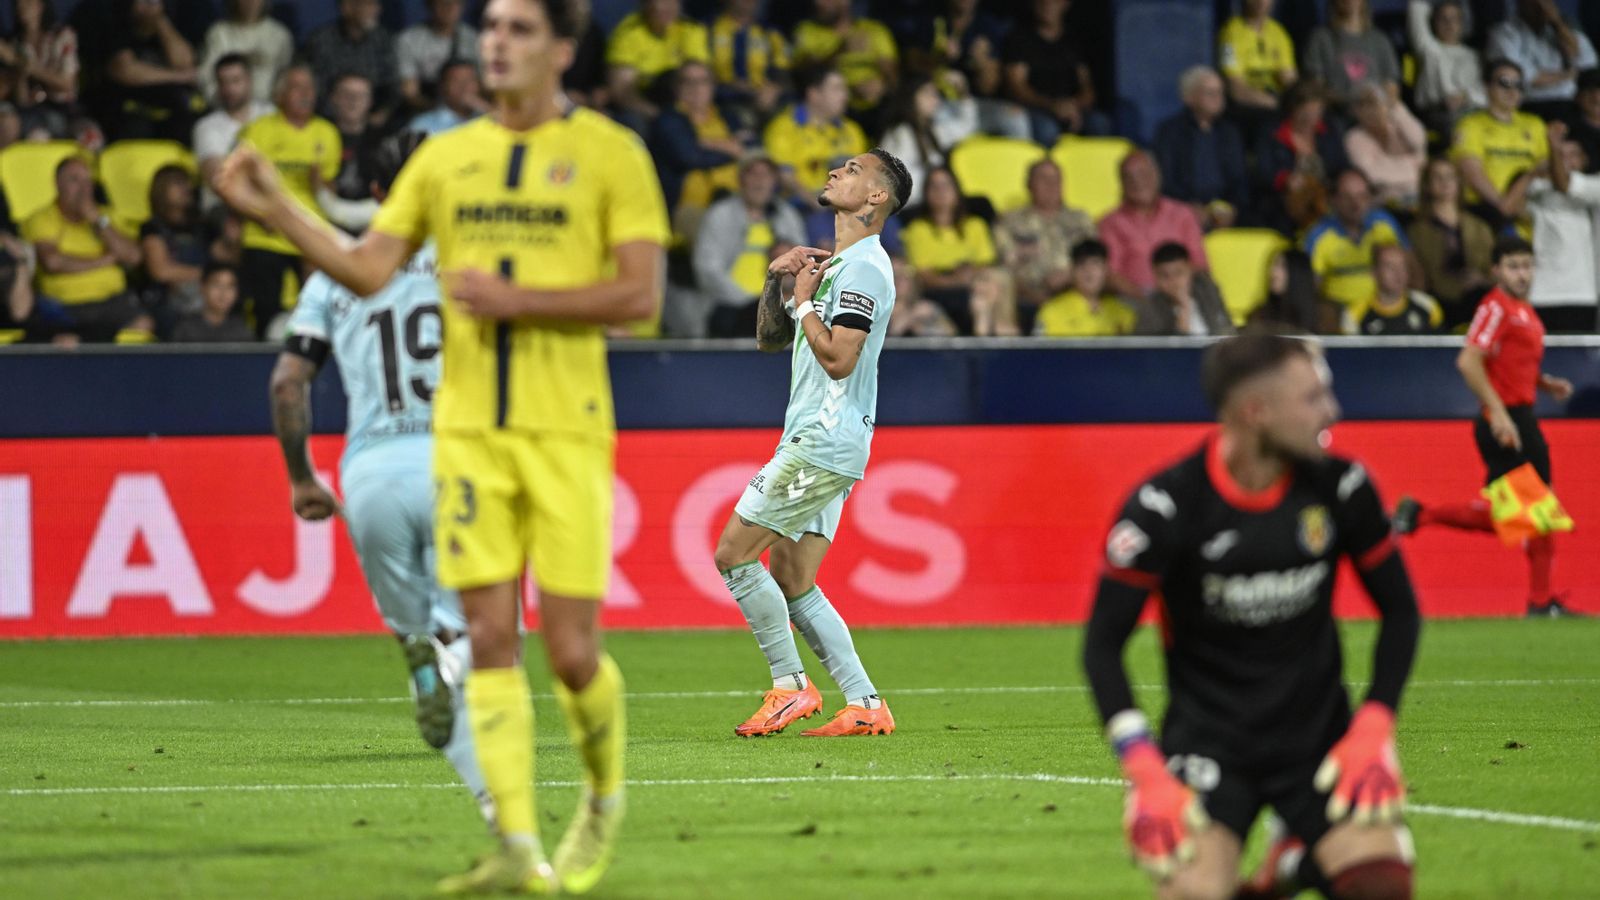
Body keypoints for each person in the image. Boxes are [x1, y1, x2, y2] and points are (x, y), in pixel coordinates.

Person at [214, 0, 669, 891]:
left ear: (562, 49)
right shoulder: (444, 158)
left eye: (520, 29)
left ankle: (602, 797)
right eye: (491, 26)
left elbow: (639, 297)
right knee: (488, 638)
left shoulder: (612, 153)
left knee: (572, 654)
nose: (497, 41)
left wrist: (518, 302)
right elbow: (364, 269)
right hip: (462, 438)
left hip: (566, 429)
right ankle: (517, 846)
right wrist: (276, 205)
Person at [1083, 333, 1421, 900]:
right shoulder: (1167, 507)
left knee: (1381, 884)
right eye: (1312, 398)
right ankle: (1294, 862)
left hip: (1318, 745)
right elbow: (1102, 647)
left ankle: (1295, 859)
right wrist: (1144, 770)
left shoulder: (1342, 486)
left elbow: (1401, 612)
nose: (1331, 411)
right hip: (1209, 749)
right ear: (1256, 412)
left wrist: (1373, 726)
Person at [268, 130, 496, 846]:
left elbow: (287, 384)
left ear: (372, 193)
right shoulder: (473, 264)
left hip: (368, 473)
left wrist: (301, 475)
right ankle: (500, 814)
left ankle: (425, 656)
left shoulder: (332, 275)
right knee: (479, 630)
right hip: (458, 461)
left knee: (415, 627)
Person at [711, 147, 911, 739]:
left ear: (876, 196)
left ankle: (790, 685)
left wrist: (803, 299)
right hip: (825, 439)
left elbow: (839, 359)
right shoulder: (836, 266)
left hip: (822, 440)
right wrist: (778, 282)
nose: (835, 172)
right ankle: (865, 703)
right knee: (793, 578)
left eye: (852, 170)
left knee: (733, 555)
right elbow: (771, 341)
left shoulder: (866, 269)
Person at [1392, 236, 1579, 617]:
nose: (1522, 274)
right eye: (1513, 266)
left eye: (1527, 266)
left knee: (1536, 512)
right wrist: (1499, 413)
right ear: (1496, 270)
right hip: (1505, 420)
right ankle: (1423, 515)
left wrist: (1544, 383)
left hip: (1520, 416)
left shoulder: (1522, 311)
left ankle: (1541, 601)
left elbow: (1508, 362)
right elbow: (1468, 361)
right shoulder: (1495, 307)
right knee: (1527, 513)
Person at [235, 64, 340, 338]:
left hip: (309, 234)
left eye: (309, 88)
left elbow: (331, 190)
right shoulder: (258, 131)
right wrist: (260, 214)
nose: (305, 94)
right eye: (296, 87)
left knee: (316, 310)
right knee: (265, 311)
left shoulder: (327, 133)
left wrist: (319, 184)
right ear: (279, 95)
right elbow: (238, 182)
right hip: (265, 234)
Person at [21, 156, 148, 341]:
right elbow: (52, 262)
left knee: (143, 323)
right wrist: (106, 259)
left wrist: (98, 221)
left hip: (112, 302)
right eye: (74, 180)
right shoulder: (42, 218)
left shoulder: (106, 216)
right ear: (57, 184)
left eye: (87, 181)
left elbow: (134, 257)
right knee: (68, 339)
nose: (83, 188)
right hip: (66, 306)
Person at [693, 153, 807, 338]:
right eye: (753, 174)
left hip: (779, 309)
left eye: (766, 175)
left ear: (774, 181)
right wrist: (751, 303)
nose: (759, 181)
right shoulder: (720, 215)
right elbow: (708, 270)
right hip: (730, 307)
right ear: (741, 180)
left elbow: (801, 266)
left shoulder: (788, 216)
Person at [993, 158, 1096, 335]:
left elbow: (1096, 260)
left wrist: (1070, 276)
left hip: (1075, 297)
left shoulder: (1081, 220)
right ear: (1028, 185)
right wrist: (1034, 296)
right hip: (1024, 301)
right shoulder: (1009, 221)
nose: (1051, 185)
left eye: (1056, 179)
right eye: (1043, 179)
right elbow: (1004, 269)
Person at [1451, 59, 1548, 233]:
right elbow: (1472, 172)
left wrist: (1522, 208)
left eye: (1518, 85)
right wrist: (1504, 206)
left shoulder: (1535, 124)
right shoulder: (1470, 124)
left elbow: (1544, 169)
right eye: (1504, 83)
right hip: (1486, 212)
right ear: (1487, 87)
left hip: (1529, 212)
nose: (1512, 90)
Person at [900, 164, 997, 335]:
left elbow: (985, 264)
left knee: (992, 284)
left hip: (972, 291)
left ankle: (986, 340)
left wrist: (969, 276)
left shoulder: (975, 225)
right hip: (933, 293)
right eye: (934, 186)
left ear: (957, 191)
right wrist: (956, 280)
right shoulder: (917, 229)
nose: (940, 191)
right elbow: (923, 274)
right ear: (926, 193)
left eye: (946, 185)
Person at [1099, 150, 1208, 300]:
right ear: (1121, 184)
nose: (1137, 182)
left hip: (1183, 296)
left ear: (1157, 175)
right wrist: (1146, 300)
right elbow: (1111, 275)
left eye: (1143, 174)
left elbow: (1199, 265)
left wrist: (1175, 292)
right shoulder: (1110, 223)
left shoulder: (1183, 214)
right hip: (1136, 301)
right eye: (1129, 177)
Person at [1152, 67, 1249, 231]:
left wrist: (1232, 208)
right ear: (1189, 97)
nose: (1218, 99)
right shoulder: (1169, 132)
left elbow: (1240, 180)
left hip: (1224, 211)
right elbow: (1165, 180)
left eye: (1221, 93)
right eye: (1210, 93)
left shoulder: (1230, 132)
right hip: (1183, 209)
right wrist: (1189, 207)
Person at [1305, 169, 1409, 318]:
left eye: (1362, 196)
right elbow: (1310, 288)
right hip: (1339, 312)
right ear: (1334, 200)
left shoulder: (1383, 222)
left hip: (1386, 307)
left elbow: (1412, 268)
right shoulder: (1318, 234)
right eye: (1347, 197)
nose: (1356, 204)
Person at [1527, 120, 1600, 332]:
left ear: (1585, 160)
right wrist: (1532, 173)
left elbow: (1565, 184)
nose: (1565, 160)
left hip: (1582, 293)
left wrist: (1553, 145)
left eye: (1573, 155)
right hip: (1541, 291)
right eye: (1561, 155)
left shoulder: (1593, 187)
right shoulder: (1537, 188)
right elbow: (1509, 208)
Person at [1407, 157, 1494, 330]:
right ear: (1427, 185)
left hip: (1477, 299)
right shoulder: (1416, 231)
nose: (1445, 183)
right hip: (1439, 303)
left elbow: (1493, 268)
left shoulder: (1479, 226)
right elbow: (1419, 275)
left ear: (1458, 182)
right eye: (1437, 177)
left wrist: (1482, 279)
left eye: (1450, 176)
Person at [1003, 0, 1105, 145]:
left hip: (1071, 108)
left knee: (1099, 123)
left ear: (1066, 4)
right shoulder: (1019, 39)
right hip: (1036, 108)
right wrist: (1052, 105)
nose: (1048, 4)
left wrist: (1073, 106)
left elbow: (1087, 89)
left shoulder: (1074, 41)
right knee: (1047, 129)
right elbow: (1017, 88)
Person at [1252, 81, 1349, 234]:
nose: (1312, 119)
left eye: (1317, 112)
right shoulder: (1271, 134)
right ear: (1293, 109)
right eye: (1306, 113)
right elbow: (1263, 172)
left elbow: (1342, 165)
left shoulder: (1329, 130)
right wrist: (1286, 179)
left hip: (1327, 197)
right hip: (1285, 203)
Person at [763, 67, 869, 206]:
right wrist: (817, 203)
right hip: (801, 204)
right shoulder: (783, 128)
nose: (845, 96)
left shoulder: (852, 130)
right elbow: (784, 176)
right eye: (837, 89)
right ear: (814, 94)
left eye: (845, 89)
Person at [103, 0, 203, 142]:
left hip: (173, 111)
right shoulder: (116, 28)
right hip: (130, 109)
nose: (149, 4)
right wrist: (180, 77)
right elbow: (125, 70)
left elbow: (184, 63)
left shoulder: (173, 26)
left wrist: (161, 20)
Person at [790, 0, 897, 129]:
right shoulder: (808, 30)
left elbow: (893, 76)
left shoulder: (873, 30)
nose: (819, 3)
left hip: (875, 107)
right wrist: (840, 50)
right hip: (832, 106)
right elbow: (803, 72)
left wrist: (882, 85)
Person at [877, 75, 978, 211]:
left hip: (931, 201)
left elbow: (966, 127)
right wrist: (933, 194)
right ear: (911, 98)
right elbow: (894, 182)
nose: (935, 99)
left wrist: (963, 93)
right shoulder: (901, 134)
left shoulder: (932, 130)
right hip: (911, 207)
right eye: (927, 93)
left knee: (980, 203)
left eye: (935, 94)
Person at [604, 0, 710, 128]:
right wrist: (659, 115)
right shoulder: (628, 34)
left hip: (686, 105)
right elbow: (622, 93)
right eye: (661, 2)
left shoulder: (691, 29)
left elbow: (700, 79)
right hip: (647, 106)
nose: (668, 7)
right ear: (645, 5)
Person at [1486, 0, 1597, 121]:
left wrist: (1557, 22)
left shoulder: (1563, 30)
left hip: (1569, 103)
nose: (1541, 8)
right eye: (1535, 3)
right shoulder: (1504, 32)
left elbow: (1587, 63)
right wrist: (1567, 76)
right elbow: (1522, 77)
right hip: (1530, 104)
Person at [193, 53, 272, 213]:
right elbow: (218, 181)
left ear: (249, 81)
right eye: (223, 82)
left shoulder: (271, 115)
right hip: (224, 209)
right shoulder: (206, 126)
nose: (229, 89)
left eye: (236, 81)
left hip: (269, 204)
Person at [301, 0, 400, 117]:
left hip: (372, 119)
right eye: (368, 4)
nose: (375, 10)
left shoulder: (383, 40)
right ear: (346, 7)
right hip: (329, 118)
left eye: (376, 4)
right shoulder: (321, 41)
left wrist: (380, 115)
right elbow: (315, 88)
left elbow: (393, 87)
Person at [1217, 0, 1296, 141]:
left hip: (1275, 99)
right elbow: (1235, 88)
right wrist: (1276, 104)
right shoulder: (1230, 33)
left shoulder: (1279, 33)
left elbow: (1289, 79)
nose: (1260, 2)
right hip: (1246, 105)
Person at [1303, 0, 1401, 111]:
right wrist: (1356, 101)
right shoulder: (1320, 39)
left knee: (1401, 112)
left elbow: (1391, 87)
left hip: (1378, 110)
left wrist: (1380, 105)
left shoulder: (1380, 40)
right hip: (1338, 112)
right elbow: (1316, 89)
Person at [2, 0, 80, 139]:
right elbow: (22, 100)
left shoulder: (62, 35)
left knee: (91, 137)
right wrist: (18, 67)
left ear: (40, 6)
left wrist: (21, 62)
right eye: (19, 5)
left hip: (64, 109)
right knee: (30, 132)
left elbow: (67, 84)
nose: (23, 9)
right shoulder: (16, 43)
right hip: (31, 113)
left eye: (28, 4)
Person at [1344, 83, 1428, 208]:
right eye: (1361, 106)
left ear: (1385, 105)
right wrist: (1412, 166)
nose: (1369, 111)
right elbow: (1373, 176)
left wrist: (1397, 107)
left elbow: (1419, 142)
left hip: (1421, 197)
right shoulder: (1354, 138)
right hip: (1384, 204)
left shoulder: (1400, 123)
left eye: (1373, 103)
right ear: (1355, 112)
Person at [196, 0, 293, 106]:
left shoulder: (279, 35)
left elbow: (286, 76)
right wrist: (220, 101)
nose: (250, 3)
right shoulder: (219, 33)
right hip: (226, 108)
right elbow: (205, 75)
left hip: (268, 108)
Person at [1406, 0, 1484, 130]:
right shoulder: (1428, 48)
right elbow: (1416, 8)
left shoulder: (1474, 56)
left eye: (1454, 19)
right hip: (1438, 111)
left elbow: (1486, 94)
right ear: (1434, 23)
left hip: (1471, 110)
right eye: (1443, 19)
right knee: (1459, 125)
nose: (1449, 24)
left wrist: (1466, 97)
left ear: (1461, 23)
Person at [1033, 238, 1135, 337]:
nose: (1089, 271)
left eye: (1095, 263)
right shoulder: (1051, 312)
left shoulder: (1122, 313)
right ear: (1072, 271)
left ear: (1106, 269)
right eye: (1082, 264)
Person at [709, 0, 790, 124]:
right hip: (721, 98)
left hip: (760, 98)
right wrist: (732, 86)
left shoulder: (770, 32)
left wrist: (774, 88)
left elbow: (782, 72)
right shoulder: (708, 28)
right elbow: (697, 70)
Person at [1132, 241, 1235, 336]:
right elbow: (1163, 347)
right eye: (1165, 276)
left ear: (1190, 269)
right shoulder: (1150, 308)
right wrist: (1184, 308)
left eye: (1179, 273)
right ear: (1155, 277)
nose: (1173, 281)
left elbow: (1226, 329)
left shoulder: (1207, 290)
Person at [1342, 242, 1444, 336]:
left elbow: (1441, 347)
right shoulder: (1354, 315)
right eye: (1390, 266)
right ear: (1374, 273)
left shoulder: (1428, 305)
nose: (1398, 273)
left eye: (1402, 266)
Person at [397, 0, 481, 113]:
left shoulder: (474, 39)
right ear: (430, 6)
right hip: (427, 108)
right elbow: (410, 93)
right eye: (443, 3)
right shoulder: (409, 40)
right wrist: (440, 114)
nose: (450, 8)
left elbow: (484, 84)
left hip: (470, 107)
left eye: (456, 3)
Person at [170, 262, 252, 341]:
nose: (223, 293)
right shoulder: (186, 328)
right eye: (216, 285)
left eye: (230, 286)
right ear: (203, 287)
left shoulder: (242, 329)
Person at [408, 58, 482, 135]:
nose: (463, 87)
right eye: (456, 81)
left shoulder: (486, 118)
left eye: (469, 80)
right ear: (442, 87)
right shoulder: (423, 126)